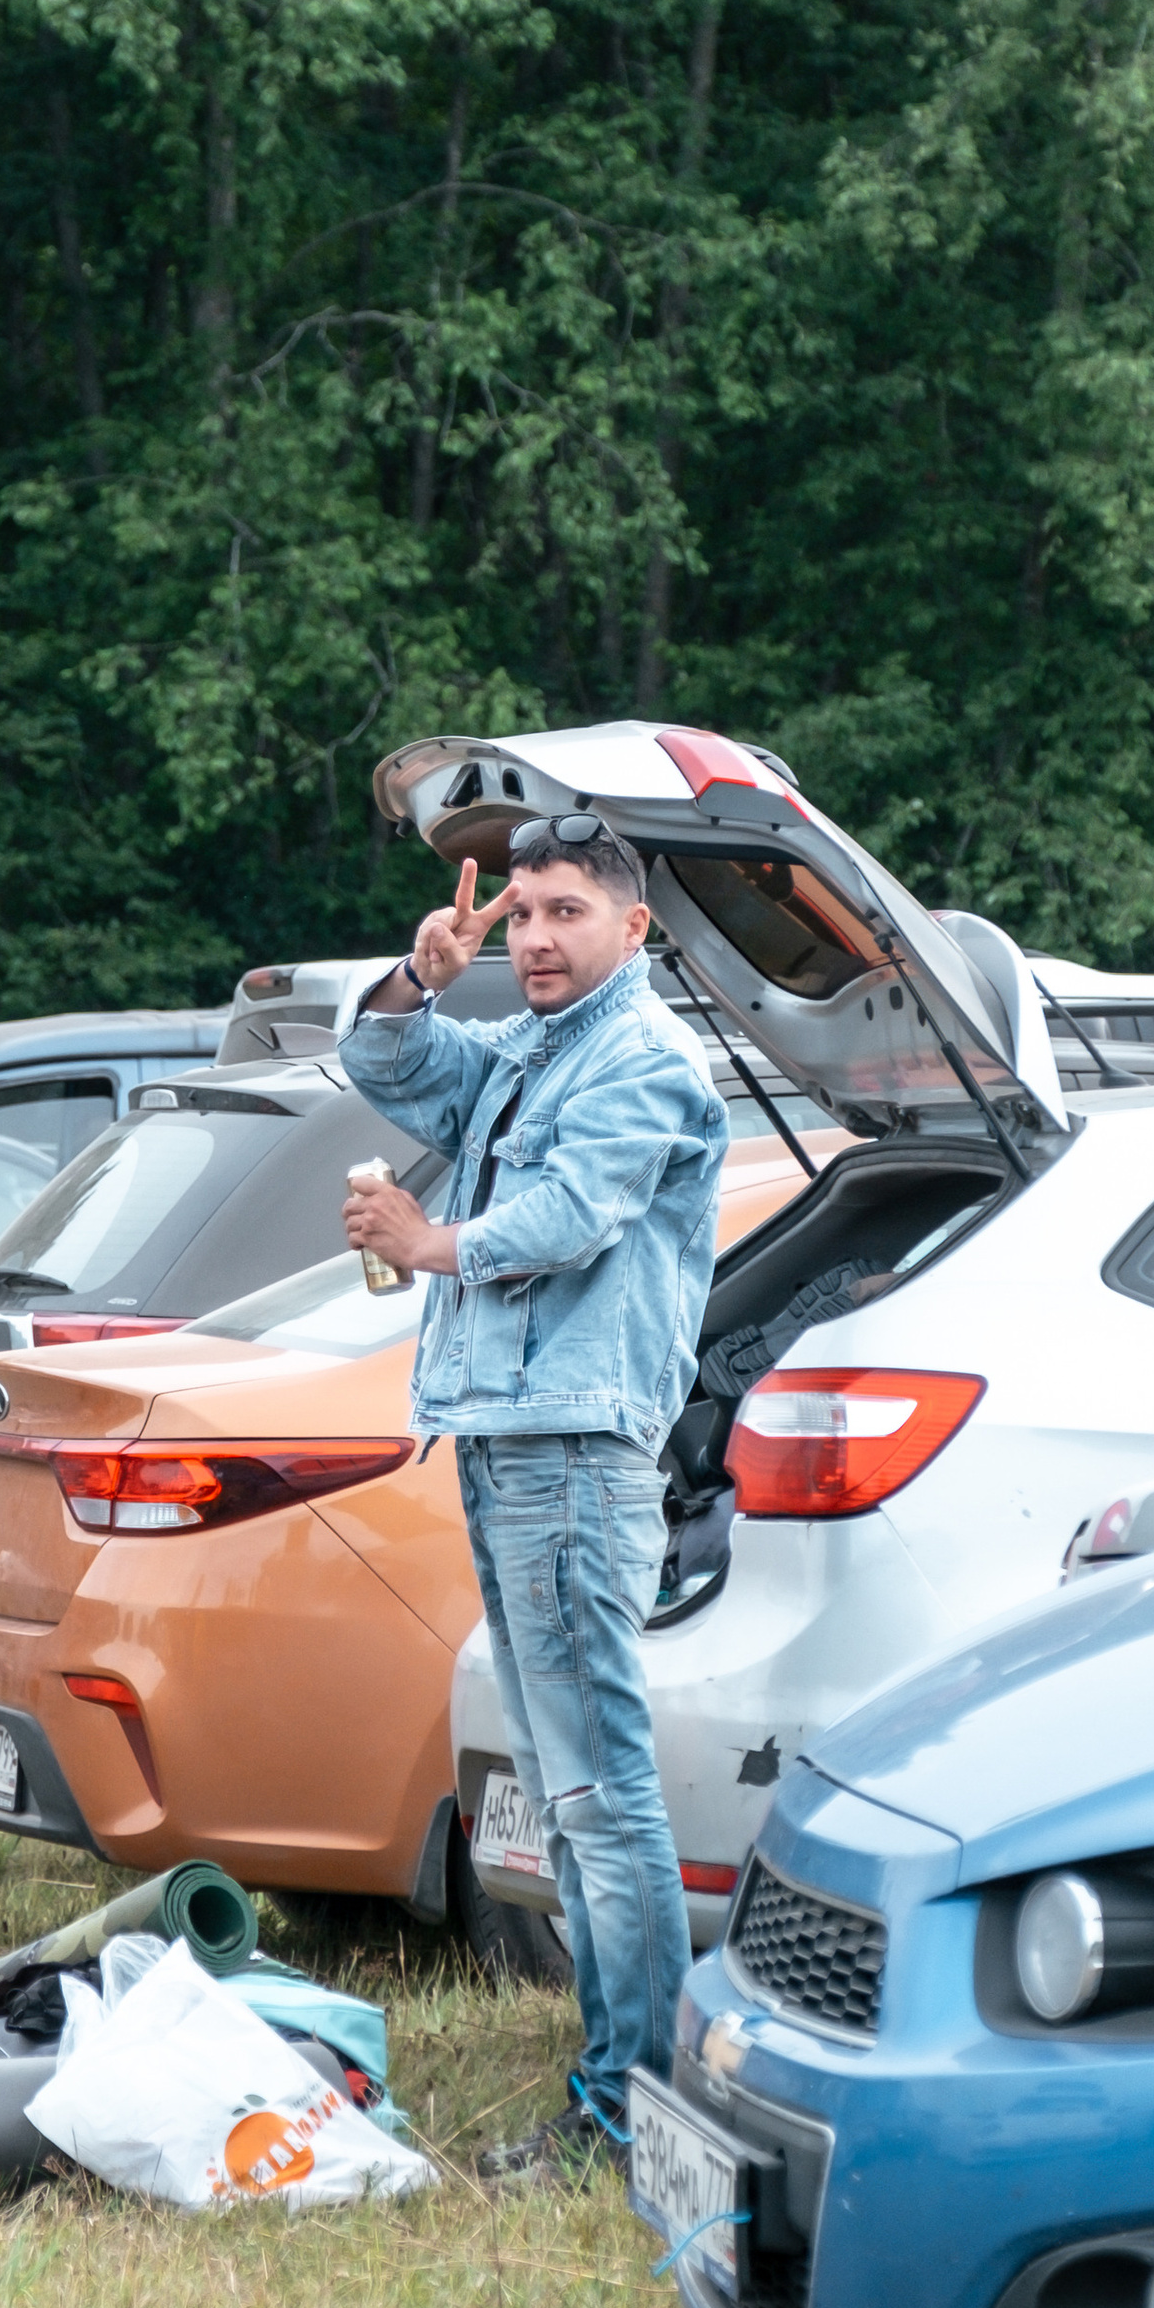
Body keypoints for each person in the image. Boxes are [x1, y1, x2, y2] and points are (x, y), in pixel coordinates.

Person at [340, 817, 727, 2184]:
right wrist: (418, 978)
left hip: (570, 1452)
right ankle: (626, 2092)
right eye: (521, 914)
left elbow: (570, 1216)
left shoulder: (645, 1059)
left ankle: (632, 2111)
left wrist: (426, 1243)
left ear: (636, 927)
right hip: (509, 1442)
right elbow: (386, 1062)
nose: (538, 937)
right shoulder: (533, 1046)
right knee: (571, 1795)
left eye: (567, 911)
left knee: (600, 1796)